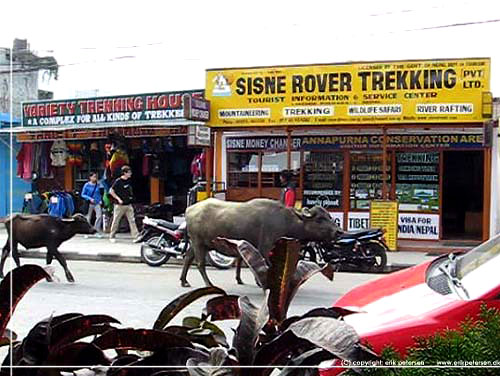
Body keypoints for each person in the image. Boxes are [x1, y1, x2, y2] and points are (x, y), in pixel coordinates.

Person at [108, 165, 139, 242]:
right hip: (119, 205)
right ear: (124, 173)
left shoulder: (129, 181)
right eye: (129, 172)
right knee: (116, 220)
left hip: (128, 204)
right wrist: (118, 199)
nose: (130, 174)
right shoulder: (118, 181)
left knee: (132, 220)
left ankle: (136, 236)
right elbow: (111, 191)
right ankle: (112, 236)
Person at [81, 172, 103, 237]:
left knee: (99, 216)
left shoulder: (98, 184)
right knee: (88, 217)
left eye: (95, 177)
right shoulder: (86, 185)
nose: (95, 178)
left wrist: (100, 200)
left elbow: (100, 193)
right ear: (90, 178)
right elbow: (83, 194)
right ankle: (87, 231)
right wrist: (89, 198)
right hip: (89, 203)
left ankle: (96, 230)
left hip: (97, 202)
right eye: (93, 177)